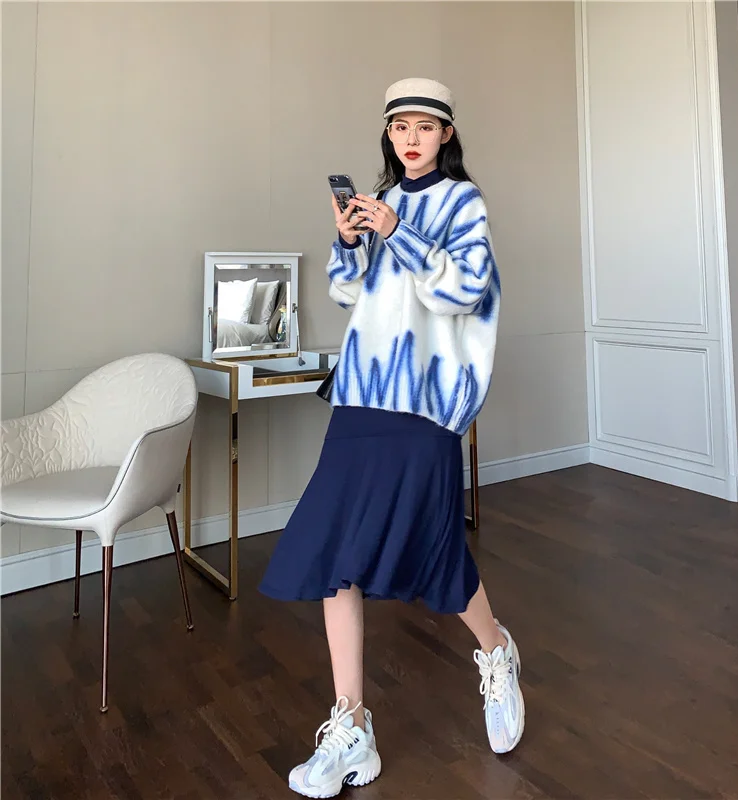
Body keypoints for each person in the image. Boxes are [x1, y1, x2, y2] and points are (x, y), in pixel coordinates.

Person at [258, 77, 523, 798]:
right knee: (337, 550)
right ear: (389, 134)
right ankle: (351, 727)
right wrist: (349, 240)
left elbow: (462, 291)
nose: (411, 138)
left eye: (425, 126)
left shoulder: (463, 202)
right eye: (400, 126)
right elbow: (352, 292)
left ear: (446, 135)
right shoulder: (380, 202)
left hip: (425, 401)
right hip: (363, 394)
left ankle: (496, 651)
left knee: (434, 544)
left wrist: (398, 231)